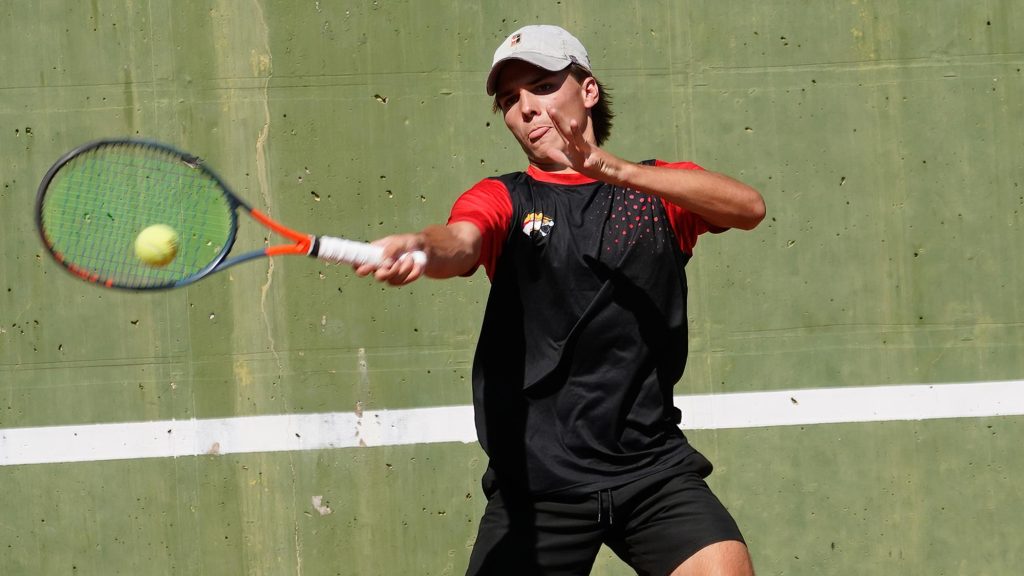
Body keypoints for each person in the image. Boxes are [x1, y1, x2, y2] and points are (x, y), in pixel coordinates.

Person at [354, 24, 766, 576]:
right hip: (538, 482)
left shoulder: (656, 194)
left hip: (650, 469)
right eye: (509, 100)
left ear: (587, 90)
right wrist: (422, 248)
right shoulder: (504, 197)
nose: (524, 108)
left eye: (543, 86)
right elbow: (461, 241)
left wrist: (612, 170)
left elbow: (748, 208)